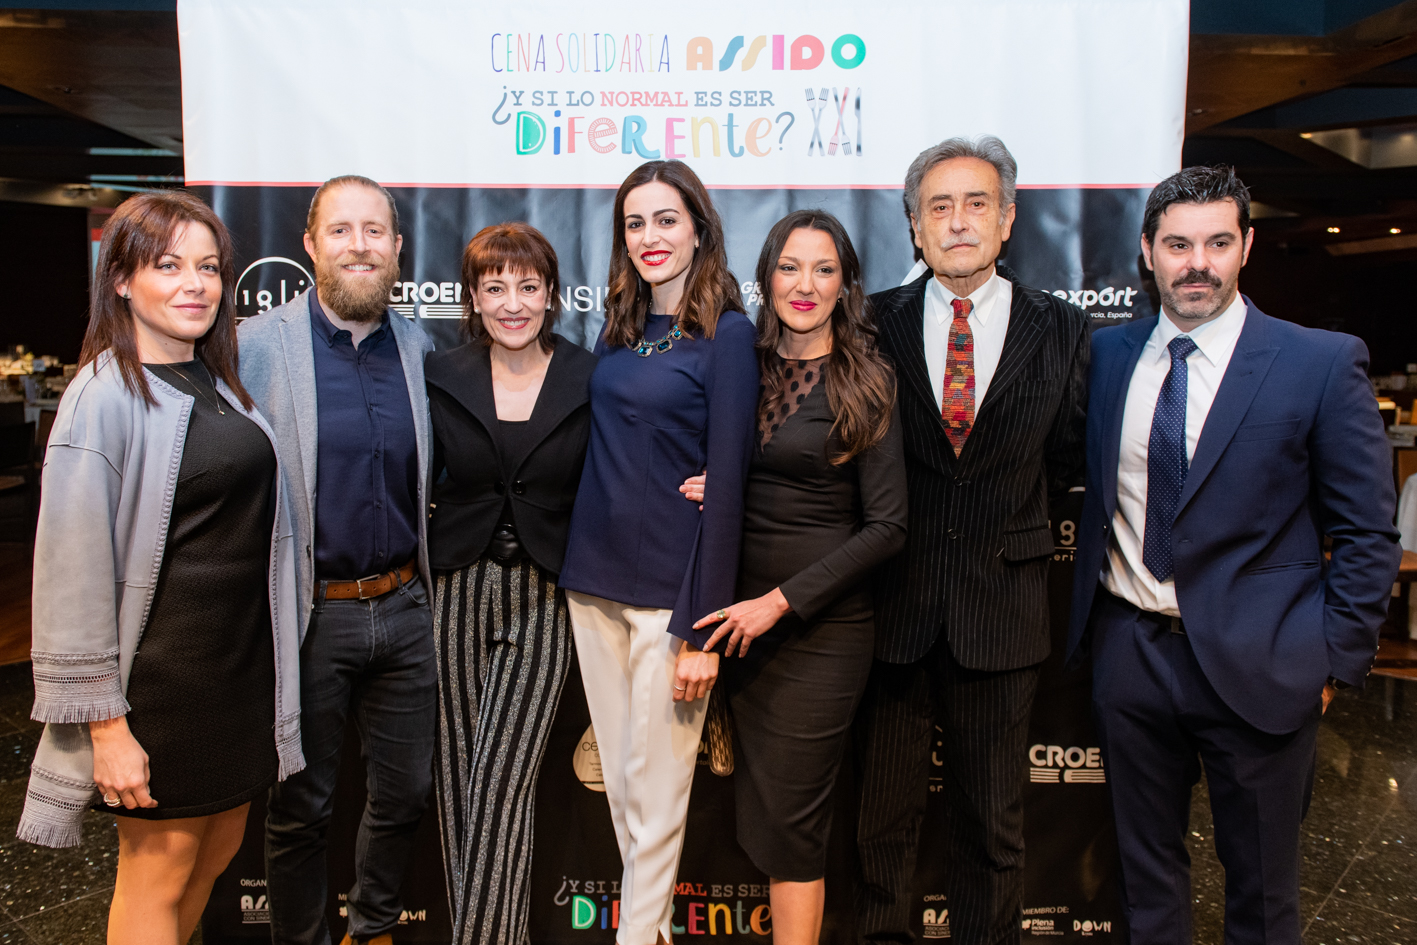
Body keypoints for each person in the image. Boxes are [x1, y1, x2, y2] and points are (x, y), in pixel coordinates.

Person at [1066, 165, 1400, 945]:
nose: (1197, 264)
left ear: (1245, 246)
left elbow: (1366, 532)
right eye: (1178, 245)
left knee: (1261, 894)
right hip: (1130, 653)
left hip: (1264, 661)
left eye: (1217, 243)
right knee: (1142, 882)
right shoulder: (1107, 356)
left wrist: (1329, 660)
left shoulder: (1318, 361)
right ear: (1147, 251)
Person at [17, 190, 303, 945]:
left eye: (208, 267)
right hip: (161, 693)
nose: (194, 284)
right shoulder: (102, 394)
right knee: (158, 875)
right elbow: (71, 574)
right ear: (121, 279)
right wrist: (107, 726)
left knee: (213, 858)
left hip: (237, 677)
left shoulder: (216, 382)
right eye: (168, 265)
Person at [854, 136, 1089, 945]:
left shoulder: (1061, 329)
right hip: (891, 607)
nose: (958, 221)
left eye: (976, 203)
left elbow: (1065, 460)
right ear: (914, 226)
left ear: (1007, 218)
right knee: (880, 824)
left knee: (991, 828)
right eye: (939, 206)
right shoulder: (870, 323)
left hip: (1002, 608)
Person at [683, 210, 906, 945]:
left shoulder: (867, 379)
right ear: (767, 276)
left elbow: (887, 527)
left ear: (845, 284)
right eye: (789, 267)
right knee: (759, 818)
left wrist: (778, 603)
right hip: (735, 629)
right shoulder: (741, 365)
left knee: (791, 826)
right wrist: (720, 485)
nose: (804, 285)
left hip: (818, 637)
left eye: (823, 269)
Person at [558, 159, 759, 945]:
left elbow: (730, 478)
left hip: (672, 594)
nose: (650, 236)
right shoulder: (618, 329)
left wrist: (703, 627)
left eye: (666, 219)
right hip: (592, 581)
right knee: (622, 785)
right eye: (634, 222)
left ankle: (636, 936)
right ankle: (652, 930)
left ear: (699, 229)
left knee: (660, 786)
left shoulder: (728, 336)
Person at [239, 175, 437, 945]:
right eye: (341, 230)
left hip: (406, 609)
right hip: (310, 614)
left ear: (397, 247)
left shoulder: (420, 348)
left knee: (405, 793)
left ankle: (373, 925)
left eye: (374, 230)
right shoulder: (254, 347)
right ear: (310, 245)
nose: (360, 245)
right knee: (300, 806)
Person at [424, 222, 598, 945]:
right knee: (458, 780)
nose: (513, 303)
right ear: (471, 297)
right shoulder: (439, 374)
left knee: (501, 780)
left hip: (546, 593)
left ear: (551, 294)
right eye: (494, 288)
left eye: (528, 286)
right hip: (455, 589)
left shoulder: (588, 376)